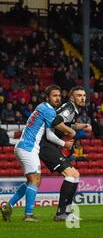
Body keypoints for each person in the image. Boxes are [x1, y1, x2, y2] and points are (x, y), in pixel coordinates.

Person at [1, 85, 74, 222]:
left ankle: (8, 206)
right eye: (54, 95)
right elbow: (55, 131)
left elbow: (49, 133)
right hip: (28, 148)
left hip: (23, 146)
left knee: (31, 181)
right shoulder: (47, 110)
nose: (57, 98)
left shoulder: (42, 107)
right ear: (47, 97)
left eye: (59, 95)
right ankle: (28, 215)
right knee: (35, 180)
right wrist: (70, 134)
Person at [39, 86, 91, 221]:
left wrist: (83, 126)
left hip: (52, 146)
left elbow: (68, 124)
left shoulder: (73, 110)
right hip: (46, 146)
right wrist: (70, 135)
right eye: (79, 95)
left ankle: (67, 212)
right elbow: (55, 122)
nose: (82, 98)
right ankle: (60, 213)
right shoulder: (69, 108)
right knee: (70, 174)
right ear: (72, 98)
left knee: (76, 175)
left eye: (84, 95)